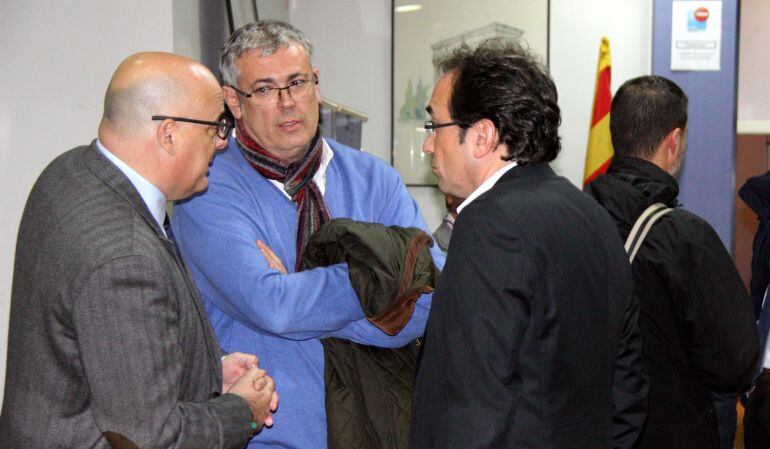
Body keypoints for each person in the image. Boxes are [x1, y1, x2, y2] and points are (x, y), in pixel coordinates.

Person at [171, 20, 444, 449]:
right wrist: (383, 287)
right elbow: (273, 306)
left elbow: (428, 299)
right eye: (263, 89)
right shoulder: (205, 188)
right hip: (270, 437)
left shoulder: (377, 180)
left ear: (316, 84)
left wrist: (296, 289)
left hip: (378, 429)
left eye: (297, 82)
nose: (287, 103)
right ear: (233, 102)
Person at [0, 52, 278, 449]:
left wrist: (209, 370)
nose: (221, 144)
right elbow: (152, 439)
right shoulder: (126, 258)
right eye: (217, 127)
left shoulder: (68, 172)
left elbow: (109, 351)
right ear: (168, 134)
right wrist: (242, 410)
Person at [410, 39, 648, 449]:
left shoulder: (487, 224)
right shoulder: (591, 214)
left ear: (482, 136)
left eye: (435, 126)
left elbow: (475, 404)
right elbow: (627, 386)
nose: (429, 144)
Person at [585, 75, 759, 449]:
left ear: (616, 135)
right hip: (672, 430)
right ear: (674, 140)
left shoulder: (572, 220)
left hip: (588, 427)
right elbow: (737, 362)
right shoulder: (685, 238)